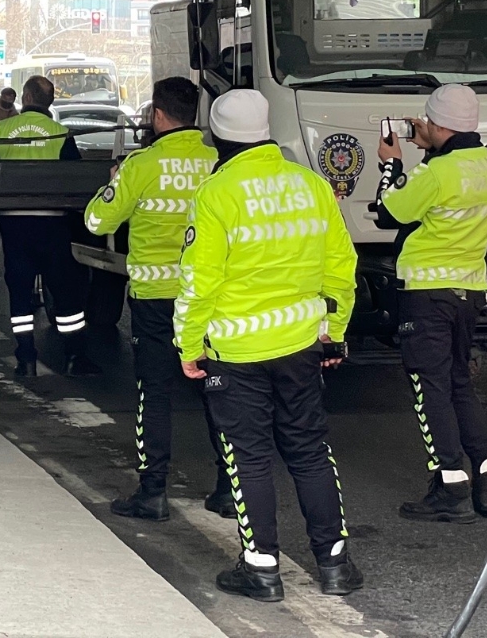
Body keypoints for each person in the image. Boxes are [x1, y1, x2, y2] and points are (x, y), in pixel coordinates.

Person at [177, 89, 363, 602]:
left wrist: (188, 346)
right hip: (302, 344)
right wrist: (337, 332)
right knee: (309, 449)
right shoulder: (311, 186)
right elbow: (341, 268)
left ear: (218, 136)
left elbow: (198, 282)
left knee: (250, 457)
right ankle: (336, 564)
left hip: (236, 353)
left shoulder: (218, 193)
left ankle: (261, 569)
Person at [84, 76, 229, 521]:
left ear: (157, 116)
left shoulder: (142, 164)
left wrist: (115, 181)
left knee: (155, 394)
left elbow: (96, 221)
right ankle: (228, 489)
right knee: (219, 391)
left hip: (155, 301)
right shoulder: (218, 162)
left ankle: (153, 492)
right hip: (209, 299)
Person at [376, 83, 487, 523]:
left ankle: (450, 484)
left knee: (430, 387)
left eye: (427, 124)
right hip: (469, 290)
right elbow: (450, 181)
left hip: (426, 294)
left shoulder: (435, 174)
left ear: (436, 124)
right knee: (459, 383)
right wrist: (433, 150)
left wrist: (394, 165)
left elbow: (389, 212)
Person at [0, 75, 99, 378]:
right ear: (49, 102)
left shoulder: (1, 129)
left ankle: (26, 358)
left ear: (25, 97)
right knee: (65, 291)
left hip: (14, 223)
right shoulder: (60, 132)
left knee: (20, 290)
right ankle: (74, 356)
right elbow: (74, 179)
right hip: (52, 224)